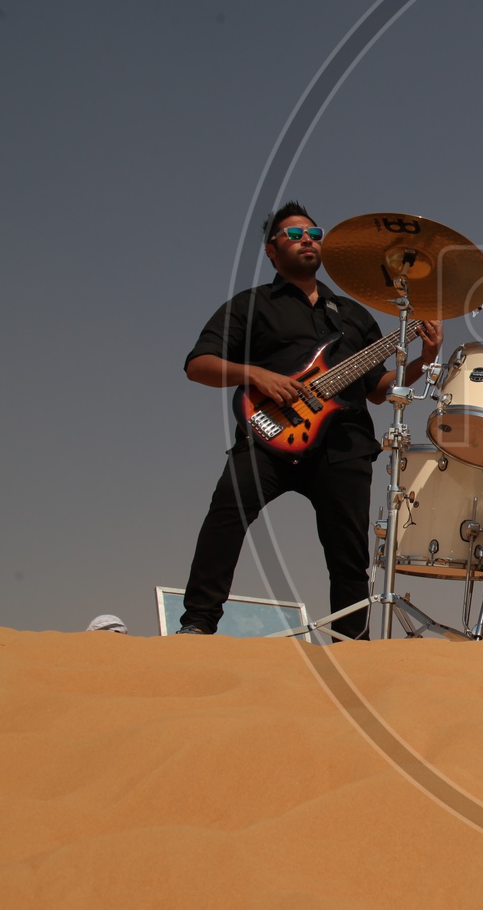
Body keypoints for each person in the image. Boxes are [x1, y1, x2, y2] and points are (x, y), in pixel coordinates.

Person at [178, 203, 441, 637]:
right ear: (271, 250)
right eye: (294, 234)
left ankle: (351, 641)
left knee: (348, 554)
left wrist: (424, 358)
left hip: (343, 446)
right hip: (268, 433)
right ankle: (198, 623)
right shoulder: (251, 305)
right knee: (226, 514)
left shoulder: (353, 315)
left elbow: (379, 389)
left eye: (314, 232)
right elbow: (198, 365)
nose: (308, 239)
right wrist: (256, 374)